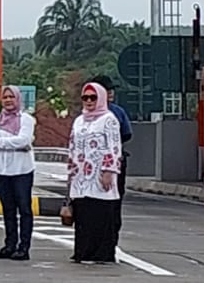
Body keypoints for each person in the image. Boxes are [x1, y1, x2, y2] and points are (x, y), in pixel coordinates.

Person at [67, 81, 123, 265]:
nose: (89, 101)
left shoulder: (109, 119)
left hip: (100, 174)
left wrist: (109, 170)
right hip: (81, 175)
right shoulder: (79, 120)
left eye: (93, 97)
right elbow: (72, 146)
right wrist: (71, 172)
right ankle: (83, 252)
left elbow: (114, 146)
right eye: (85, 98)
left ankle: (101, 253)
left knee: (99, 213)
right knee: (83, 214)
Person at [0, 85, 36, 262]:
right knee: (7, 209)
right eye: (5, 97)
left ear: (18, 99)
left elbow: (23, 140)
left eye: (11, 97)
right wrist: (11, 143)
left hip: (22, 170)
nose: (8, 100)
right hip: (1, 169)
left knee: (24, 208)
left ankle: (24, 247)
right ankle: (9, 245)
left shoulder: (27, 119)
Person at [89, 75, 133, 197]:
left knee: (116, 195)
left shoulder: (118, 111)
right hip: (93, 162)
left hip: (115, 159)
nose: (111, 93)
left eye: (112, 90)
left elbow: (126, 134)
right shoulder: (86, 115)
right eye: (107, 90)